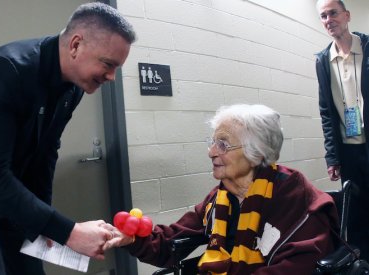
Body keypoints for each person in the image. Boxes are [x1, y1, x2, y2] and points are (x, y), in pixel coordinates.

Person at [0, 2, 135, 275]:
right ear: (75, 45)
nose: (112, 77)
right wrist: (70, 232)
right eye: (108, 64)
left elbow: (46, 153)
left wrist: (45, 223)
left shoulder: (72, 88)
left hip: (4, 183)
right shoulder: (7, 69)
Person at [103, 104, 339, 274]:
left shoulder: (292, 194)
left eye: (223, 144)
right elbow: (171, 243)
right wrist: (133, 239)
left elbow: (300, 265)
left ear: (256, 153)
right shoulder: (220, 198)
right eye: (213, 142)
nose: (211, 152)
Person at [315, 0, 369, 260]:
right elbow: (326, 111)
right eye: (323, 16)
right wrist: (332, 156)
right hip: (348, 150)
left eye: (333, 13)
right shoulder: (323, 60)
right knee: (356, 213)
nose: (328, 20)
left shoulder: (367, 48)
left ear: (346, 16)